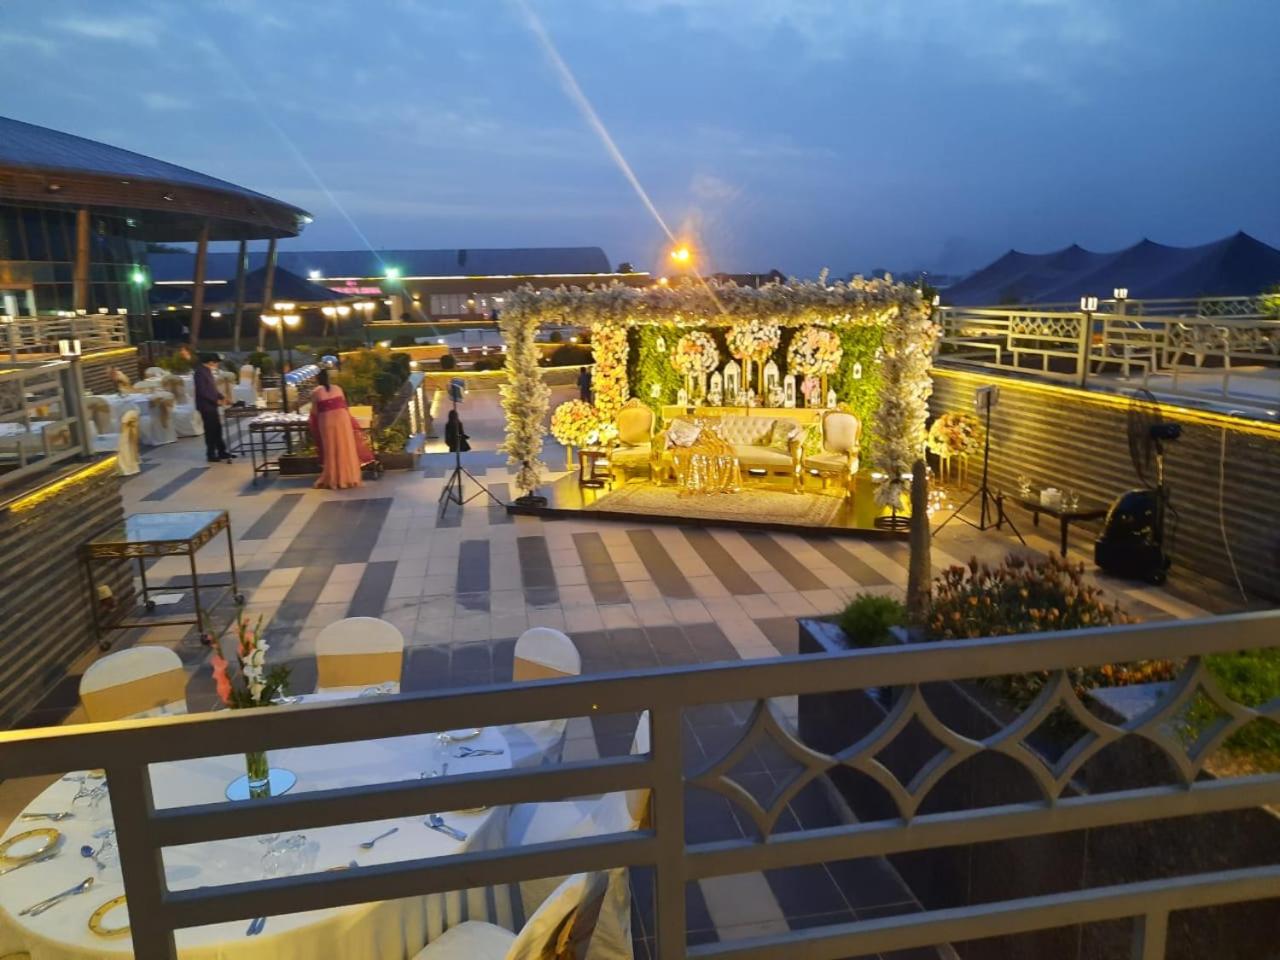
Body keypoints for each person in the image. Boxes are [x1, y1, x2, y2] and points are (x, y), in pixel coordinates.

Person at [308, 368, 371, 489]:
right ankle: (349, 476)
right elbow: (344, 404)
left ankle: (335, 478)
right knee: (345, 446)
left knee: (331, 448)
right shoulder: (338, 388)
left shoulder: (316, 391)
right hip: (343, 420)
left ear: (318, 379)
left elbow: (314, 411)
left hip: (327, 420)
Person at [193, 352, 231, 462]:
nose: (217, 364)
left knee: (217, 429)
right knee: (210, 430)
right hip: (206, 406)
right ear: (210, 362)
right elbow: (202, 391)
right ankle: (211, 454)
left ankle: (222, 452)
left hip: (211, 405)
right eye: (216, 362)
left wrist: (222, 397)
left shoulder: (207, 371)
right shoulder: (200, 372)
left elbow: (212, 388)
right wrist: (216, 400)